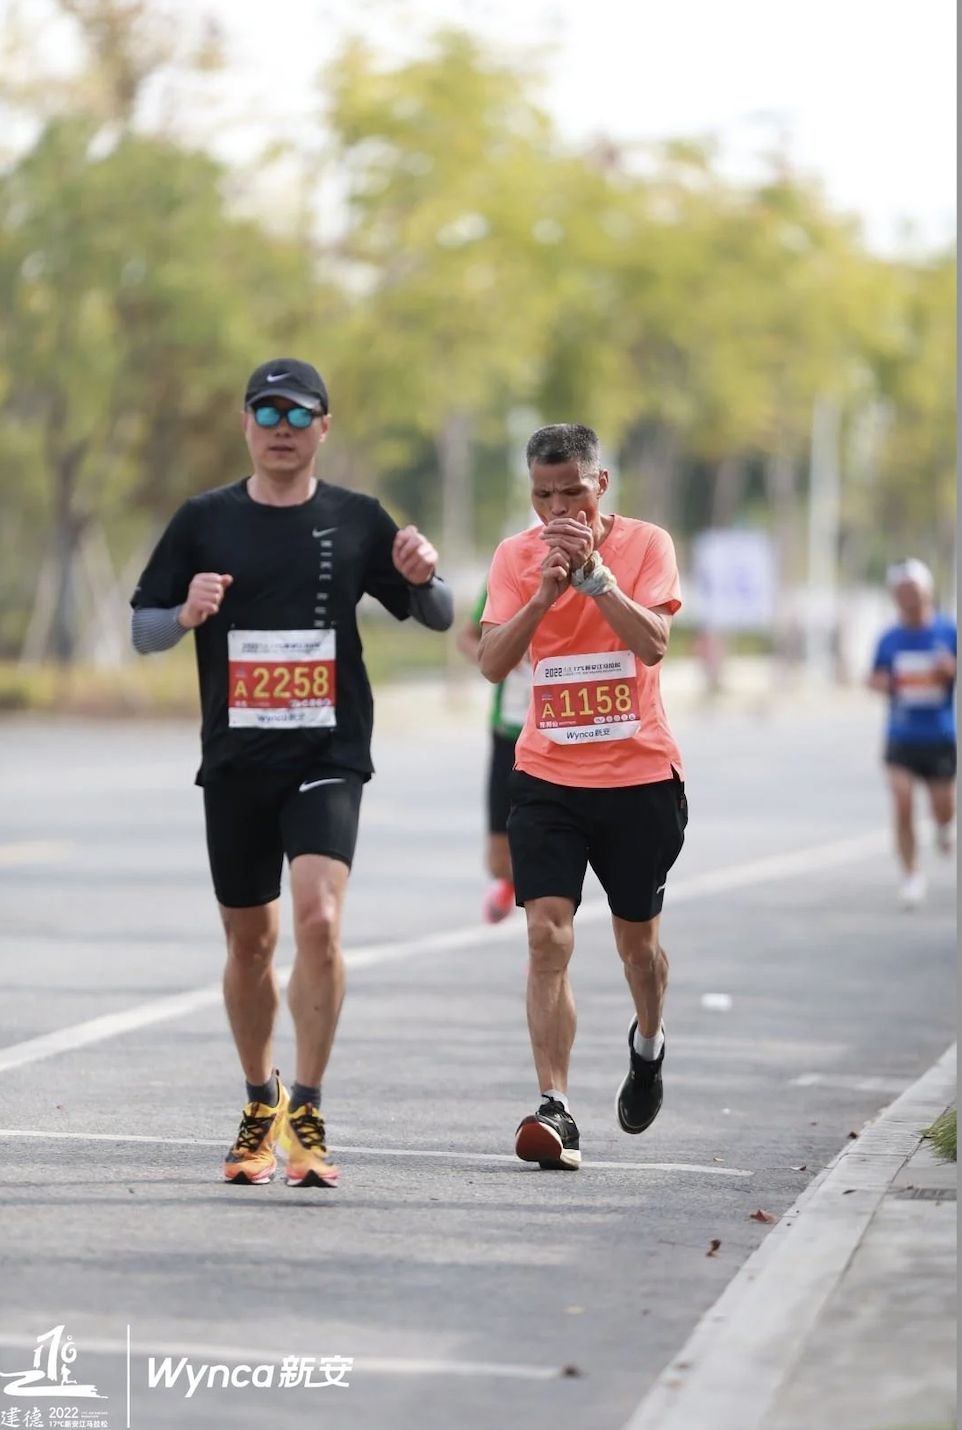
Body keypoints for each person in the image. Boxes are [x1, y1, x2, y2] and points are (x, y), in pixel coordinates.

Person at [130, 357, 453, 1189]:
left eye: (297, 414)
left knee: (318, 921)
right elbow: (142, 629)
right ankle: (258, 1098)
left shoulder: (356, 518)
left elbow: (438, 611)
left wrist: (424, 576)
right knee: (251, 941)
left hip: (327, 752)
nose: (281, 427)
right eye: (266, 413)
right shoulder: (204, 520)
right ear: (246, 424)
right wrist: (185, 613)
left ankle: (306, 1105)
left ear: (323, 428)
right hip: (237, 759)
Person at [479, 423, 687, 1169]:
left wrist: (599, 581)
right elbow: (492, 662)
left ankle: (649, 1041)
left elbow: (656, 643)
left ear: (600, 485)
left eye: (571, 490)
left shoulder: (646, 544)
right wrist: (541, 595)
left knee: (639, 949)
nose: (557, 507)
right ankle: (555, 1106)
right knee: (547, 935)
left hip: (638, 779)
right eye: (543, 494)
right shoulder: (515, 556)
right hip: (547, 776)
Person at [867, 558, 956, 909]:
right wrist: (884, 683)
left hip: (939, 735)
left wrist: (950, 670)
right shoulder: (889, 639)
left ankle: (944, 828)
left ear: (927, 592)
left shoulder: (948, 632)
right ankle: (911, 874)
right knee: (902, 801)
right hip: (901, 735)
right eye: (901, 592)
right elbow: (874, 677)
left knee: (943, 807)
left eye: (914, 591)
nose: (908, 598)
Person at [456, 580, 532, 923]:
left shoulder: (583, 578)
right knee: (498, 861)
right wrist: (495, 658)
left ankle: (544, 922)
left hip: (557, 735)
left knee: (550, 851)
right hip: (509, 730)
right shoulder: (507, 573)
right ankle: (512, 883)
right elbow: (467, 638)